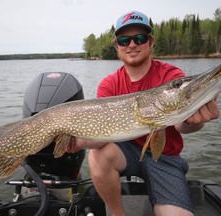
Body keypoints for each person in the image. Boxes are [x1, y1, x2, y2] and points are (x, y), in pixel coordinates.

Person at [67, 11, 220, 216]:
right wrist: (80, 142)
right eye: (124, 40)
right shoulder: (109, 84)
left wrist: (194, 121)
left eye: (140, 38)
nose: (132, 45)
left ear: (151, 41)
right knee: (97, 155)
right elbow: (101, 137)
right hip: (125, 151)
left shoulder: (171, 75)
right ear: (117, 46)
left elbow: (181, 124)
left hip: (165, 157)